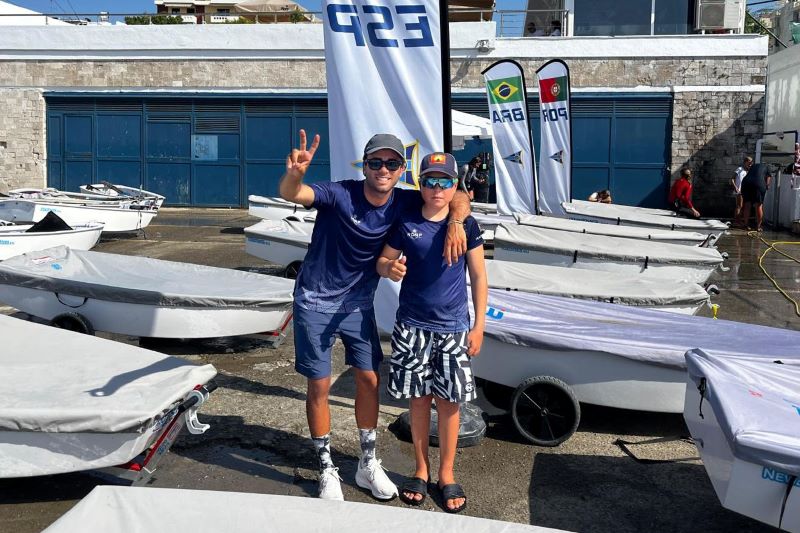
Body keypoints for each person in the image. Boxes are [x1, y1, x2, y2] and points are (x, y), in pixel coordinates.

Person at [278, 130, 470, 502]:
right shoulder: (340, 193)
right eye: (376, 162)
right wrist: (294, 176)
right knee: (320, 385)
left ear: (401, 170)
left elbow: (457, 195)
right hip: (315, 301)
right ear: (364, 166)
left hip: (358, 304)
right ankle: (326, 468)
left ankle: (366, 462)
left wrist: (457, 223)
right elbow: (294, 194)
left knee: (368, 379)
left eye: (392, 163)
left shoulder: (404, 200)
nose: (384, 169)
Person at [376, 151, 487, 514]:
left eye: (444, 181)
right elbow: (382, 260)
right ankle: (421, 469)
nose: (437, 188)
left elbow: (478, 277)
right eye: (430, 181)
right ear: (420, 184)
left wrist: (478, 326)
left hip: (453, 329)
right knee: (419, 401)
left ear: (454, 185)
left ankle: (446, 472)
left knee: (450, 404)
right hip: (412, 326)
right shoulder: (407, 220)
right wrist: (389, 268)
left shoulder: (467, 225)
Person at [740, 162, 773, 231]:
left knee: (747, 204)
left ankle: (745, 225)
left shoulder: (753, 166)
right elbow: (768, 178)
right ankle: (758, 227)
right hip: (758, 183)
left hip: (746, 182)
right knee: (758, 205)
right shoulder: (767, 167)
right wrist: (767, 185)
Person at [731, 156, 752, 222]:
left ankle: (740, 221)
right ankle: (737, 221)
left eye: (751, 162)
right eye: (749, 162)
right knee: (739, 206)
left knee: (743, 207)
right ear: (745, 162)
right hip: (739, 190)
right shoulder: (739, 169)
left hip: (746, 191)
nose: (750, 164)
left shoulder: (748, 171)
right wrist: (735, 187)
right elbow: (732, 179)